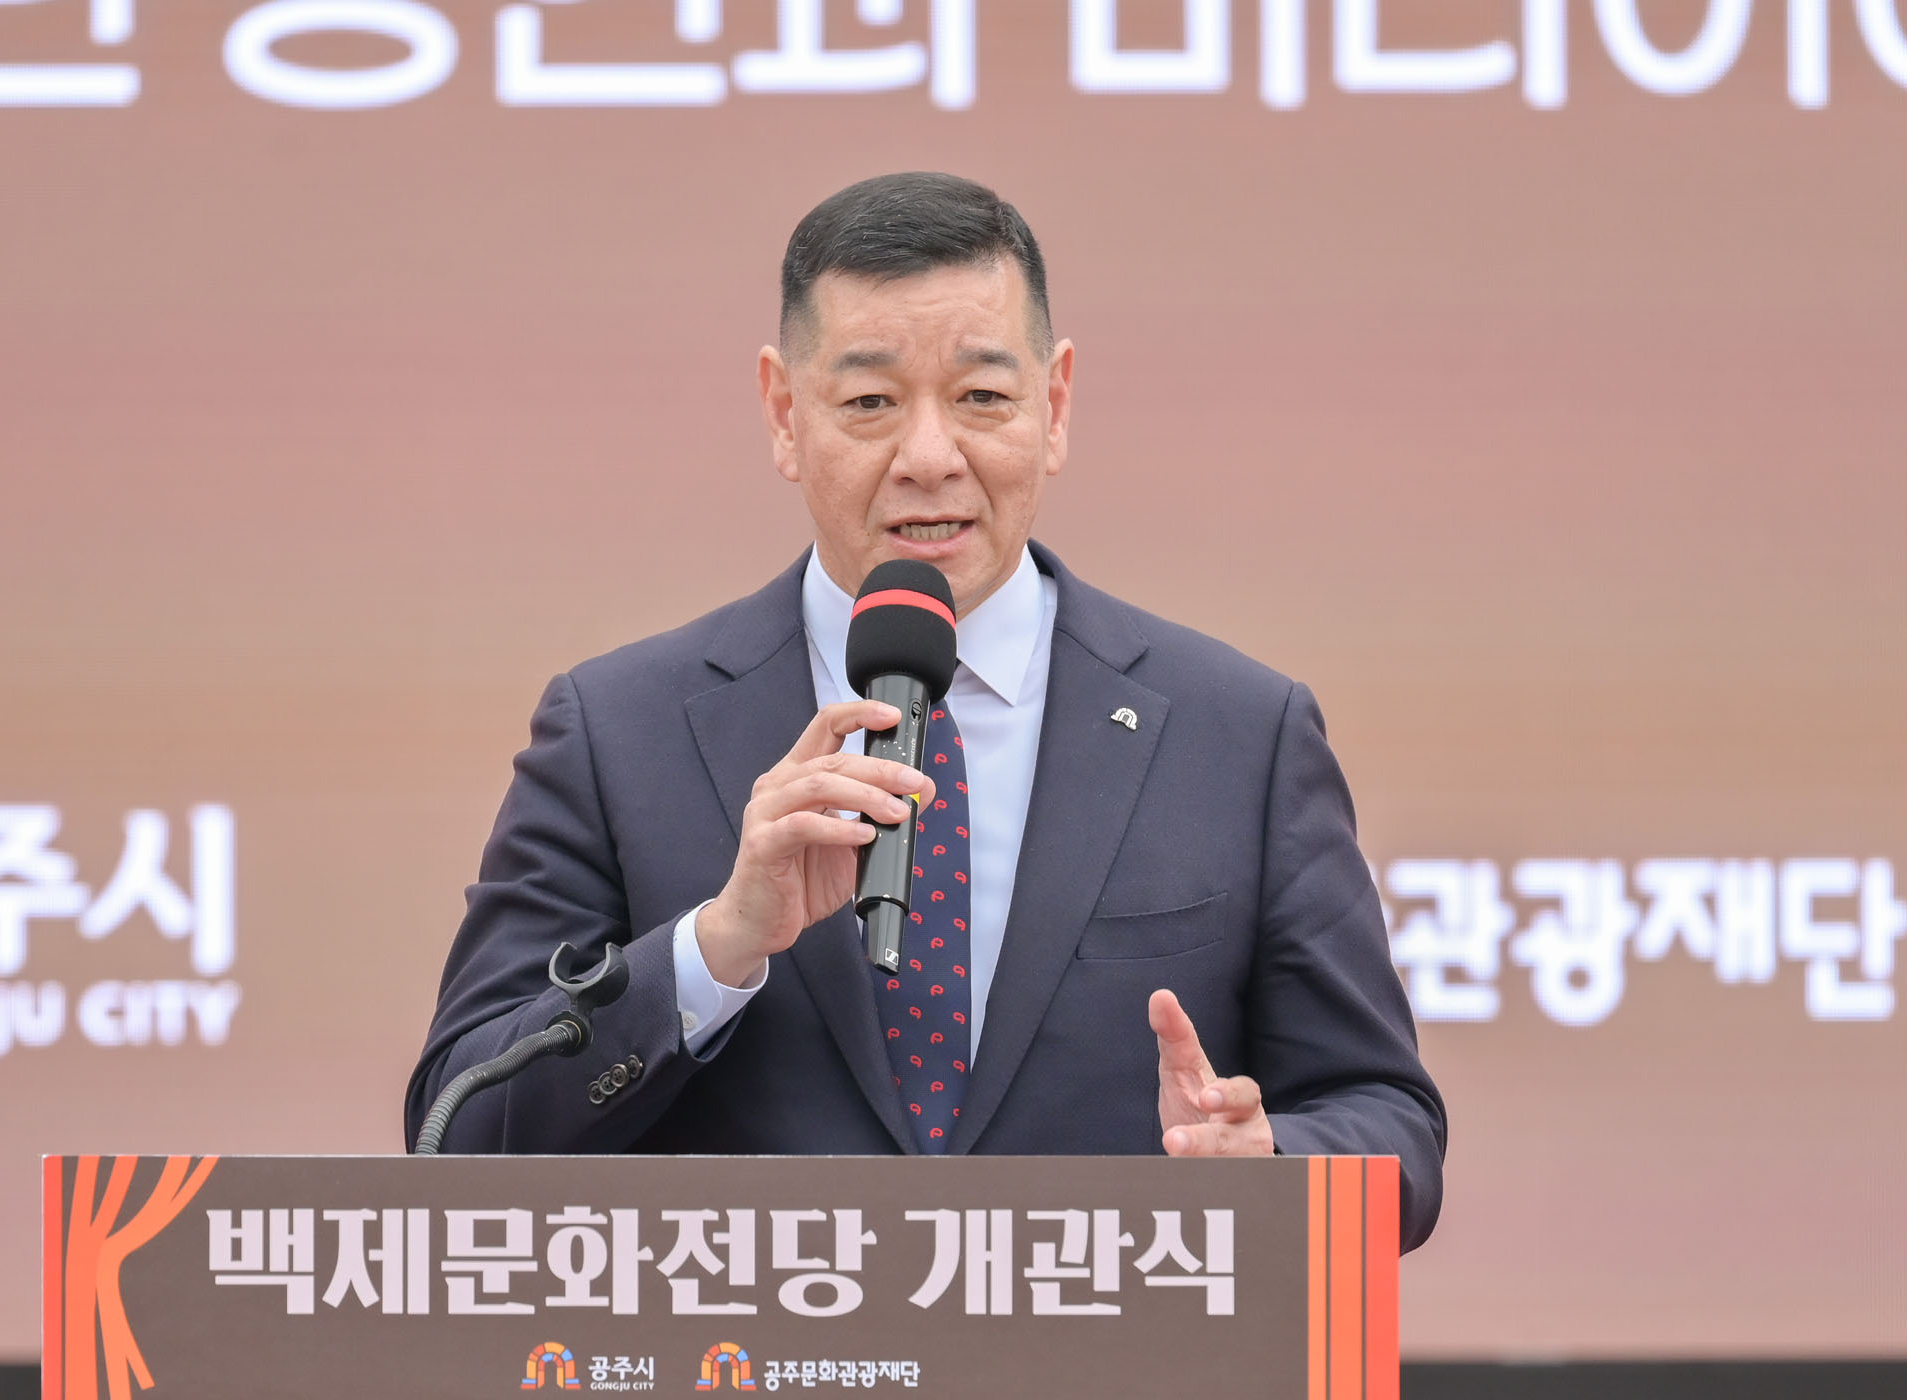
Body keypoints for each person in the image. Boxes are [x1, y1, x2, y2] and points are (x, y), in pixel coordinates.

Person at [407, 172, 1445, 1248]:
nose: (930, 458)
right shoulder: (620, 731)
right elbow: (456, 1133)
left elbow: (1392, 1127)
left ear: (1055, 406)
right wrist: (714, 950)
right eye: (870, 404)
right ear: (784, 414)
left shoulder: (1238, 733)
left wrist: (1267, 1166)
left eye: (982, 398)